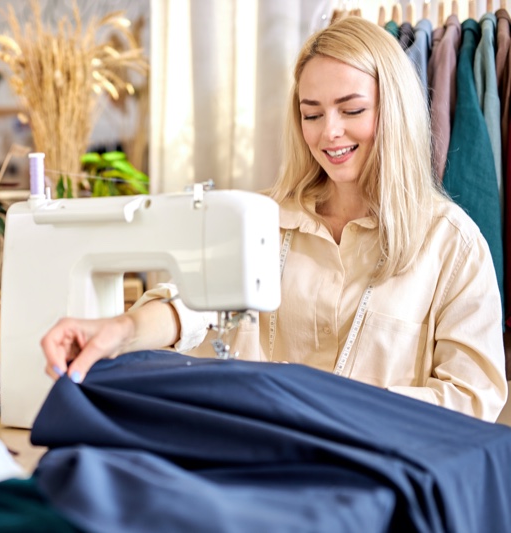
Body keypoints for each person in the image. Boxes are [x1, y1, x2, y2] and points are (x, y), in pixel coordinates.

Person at [40, 16, 508, 422]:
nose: (330, 132)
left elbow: (472, 399)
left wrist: (331, 407)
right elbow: (191, 306)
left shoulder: (453, 247)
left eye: (352, 110)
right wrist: (120, 330)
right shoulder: (261, 221)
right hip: (259, 467)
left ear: (396, 110)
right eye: (312, 114)